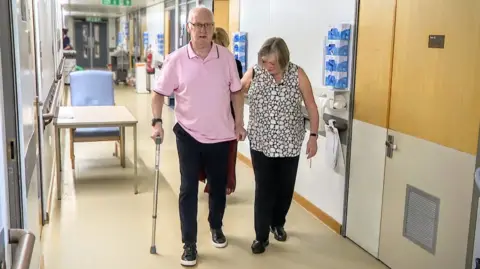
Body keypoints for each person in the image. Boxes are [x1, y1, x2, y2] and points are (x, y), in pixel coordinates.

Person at [150, 7, 246, 267]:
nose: (203, 30)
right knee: (188, 188)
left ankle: (216, 226)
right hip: (188, 134)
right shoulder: (176, 59)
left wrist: (239, 122)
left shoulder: (226, 58)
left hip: (221, 135)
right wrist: (156, 122)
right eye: (198, 25)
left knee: (218, 186)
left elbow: (237, 92)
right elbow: (159, 93)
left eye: (208, 25)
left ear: (213, 27)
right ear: (189, 27)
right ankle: (189, 244)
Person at [241, 37, 319, 254]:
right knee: (264, 189)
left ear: (283, 60)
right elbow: (236, 91)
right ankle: (260, 237)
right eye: (265, 62)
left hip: (290, 143)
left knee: (285, 189)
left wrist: (313, 136)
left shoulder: (298, 74)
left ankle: (277, 223)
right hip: (261, 142)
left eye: (272, 63)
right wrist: (236, 119)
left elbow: (311, 106)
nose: (268, 67)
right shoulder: (255, 72)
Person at [198, 27, 243, 195]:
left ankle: (224, 183)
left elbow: (237, 91)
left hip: (228, 113)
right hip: (208, 112)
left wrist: (238, 120)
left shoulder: (234, 63)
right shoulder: (204, 62)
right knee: (208, 149)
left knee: (227, 152)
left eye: (221, 45)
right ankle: (211, 179)